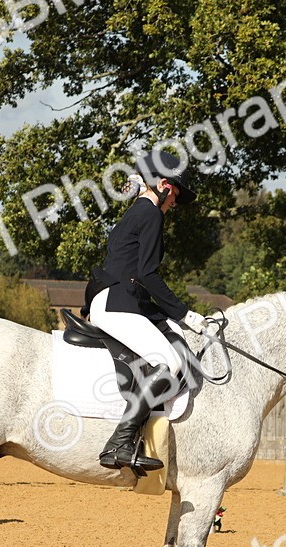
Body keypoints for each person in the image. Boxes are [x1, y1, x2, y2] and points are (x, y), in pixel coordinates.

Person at [83, 150, 206, 472]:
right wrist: (184, 313)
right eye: (176, 194)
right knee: (170, 361)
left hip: (119, 298)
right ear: (165, 185)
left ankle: (121, 444)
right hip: (117, 302)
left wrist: (166, 315)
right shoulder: (151, 215)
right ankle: (120, 442)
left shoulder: (137, 212)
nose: (175, 203)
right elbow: (148, 275)